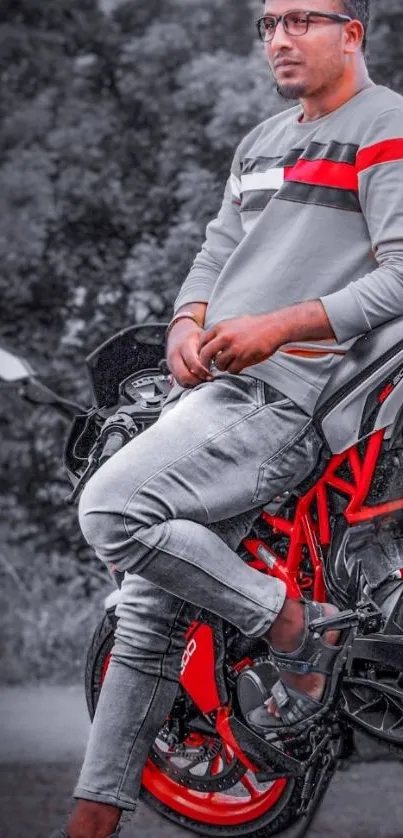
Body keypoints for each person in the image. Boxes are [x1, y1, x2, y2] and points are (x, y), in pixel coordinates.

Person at [56, 1, 403, 836]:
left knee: (109, 508)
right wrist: (186, 322)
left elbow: (399, 274)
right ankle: (90, 823)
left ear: (350, 32)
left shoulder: (385, 125)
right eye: (266, 24)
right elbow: (216, 250)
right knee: (146, 616)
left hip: (288, 397)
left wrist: (278, 325)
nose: (278, 38)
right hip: (211, 393)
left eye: (300, 20)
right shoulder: (259, 141)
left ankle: (290, 626)